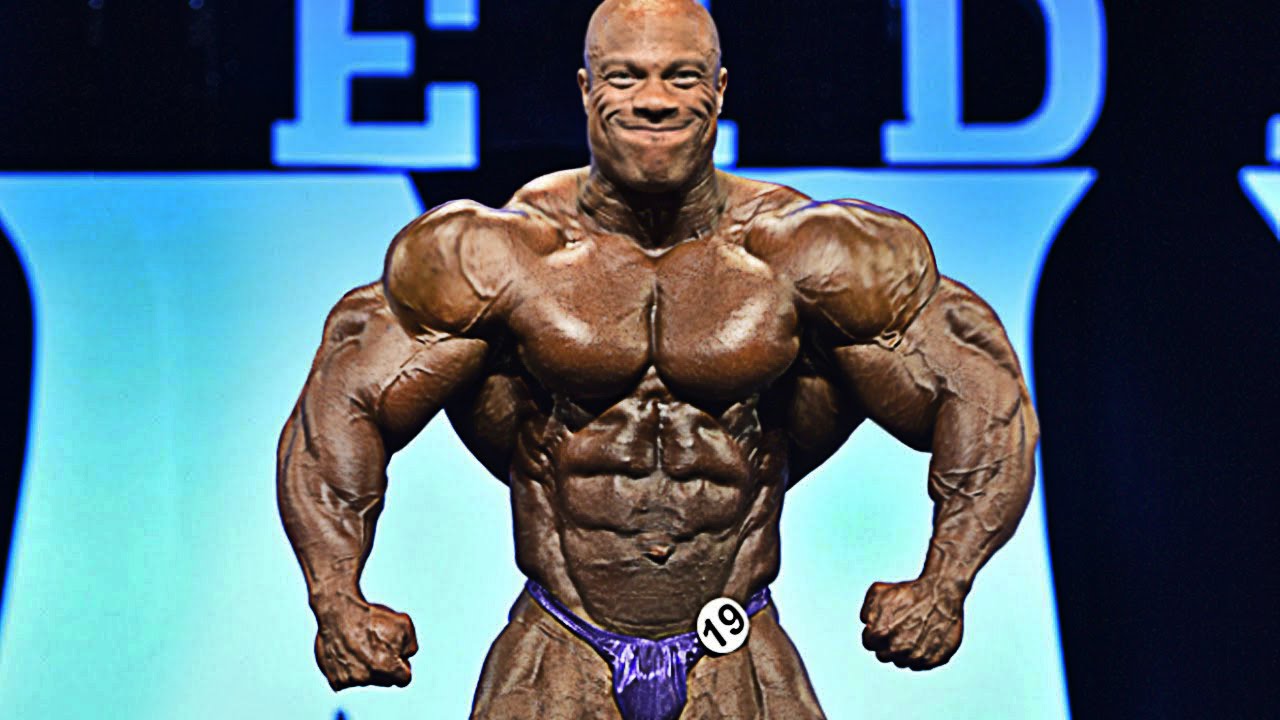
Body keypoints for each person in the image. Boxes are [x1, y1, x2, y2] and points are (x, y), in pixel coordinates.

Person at [276, 1, 1040, 718]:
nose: (654, 100)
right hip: (558, 644)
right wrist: (336, 599)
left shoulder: (811, 256)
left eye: (681, 76)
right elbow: (344, 405)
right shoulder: (492, 258)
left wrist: (945, 583)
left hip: (737, 645)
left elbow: (983, 395)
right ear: (585, 89)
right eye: (626, 76)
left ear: (720, 89)